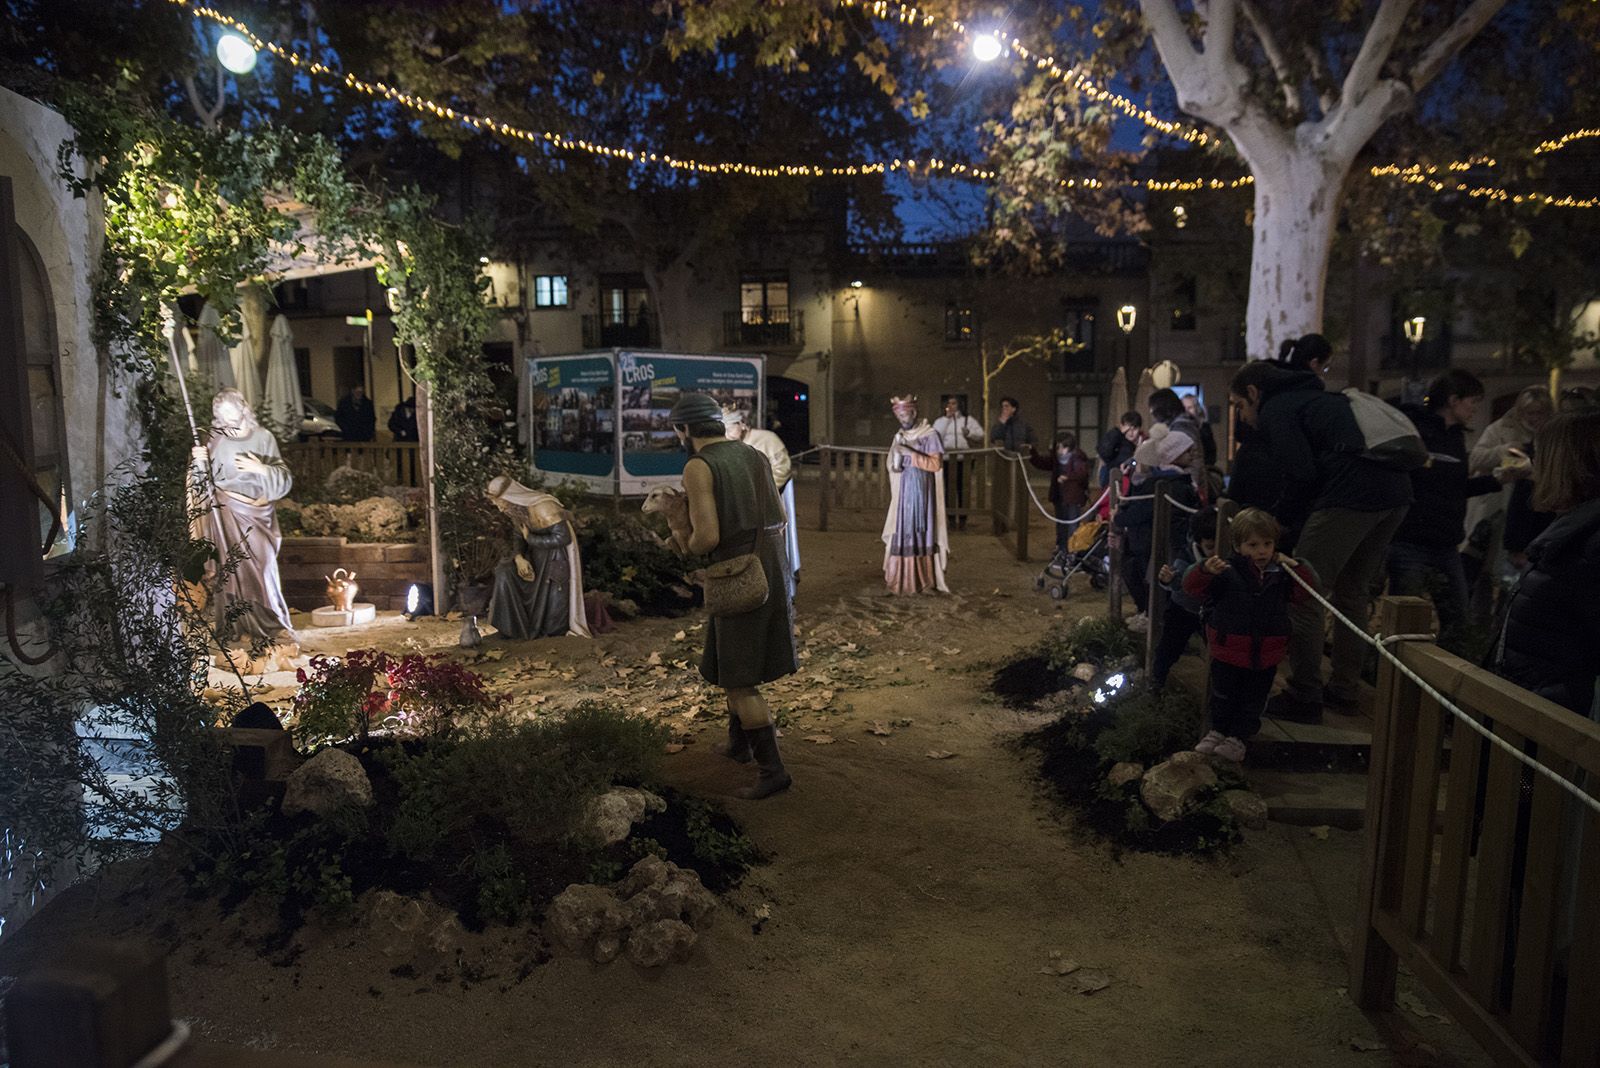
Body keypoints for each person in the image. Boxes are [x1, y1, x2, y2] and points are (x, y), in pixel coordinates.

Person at [1228, 360, 1413, 723]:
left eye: (1239, 406)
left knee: (1304, 592)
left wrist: (1278, 522)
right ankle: (1345, 690)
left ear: (1253, 393)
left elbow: (1301, 472)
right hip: (1396, 493)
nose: (1243, 416)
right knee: (1352, 592)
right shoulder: (1317, 399)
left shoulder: (1277, 409)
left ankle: (1304, 693)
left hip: (1350, 495)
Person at [663, 393, 797, 799]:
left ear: (684, 430)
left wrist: (679, 531)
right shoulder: (753, 455)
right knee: (728, 659)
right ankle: (739, 746)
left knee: (740, 681)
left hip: (736, 575)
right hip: (769, 569)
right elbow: (779, 515)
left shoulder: (698, 465)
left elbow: (707, 538)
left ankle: (773, 771)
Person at [1183, 508, 1318, 762]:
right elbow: (1192, 588)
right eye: (1253, 544)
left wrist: (1297, 567)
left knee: (1254, 699)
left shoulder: (1281, 575)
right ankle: (1217, 730)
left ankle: (1238, 737)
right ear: (1238, 545)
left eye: (1267, 544)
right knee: (1222, 693)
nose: (1261, 551)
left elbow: (1306, 593)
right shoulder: (1226, 570)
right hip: (1229, 647)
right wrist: (1203, 569)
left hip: (1266, 652)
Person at [1493, 410, 1600, 716]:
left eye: (1540, 457)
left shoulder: (1589, 541)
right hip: (1531, 709)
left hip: (1554, 722)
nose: (1535, 467)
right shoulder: (1572, 529)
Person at [1386, 370, 1505, 644]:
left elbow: (1456, 487)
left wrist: (1498, 479)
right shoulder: (1417, 431)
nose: (1475, 408)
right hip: (1410, 542)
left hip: (1447, 544)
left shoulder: (1455, 437)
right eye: (1472, 401)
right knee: (1405, 622)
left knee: (1457, 621)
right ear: (1453, 400)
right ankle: (1392, 677)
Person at [199, 388, 296, 646]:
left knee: (264, 569)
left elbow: (283, 477)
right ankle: (236, 627)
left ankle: (271, 625)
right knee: (231, 572)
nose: (228, 420)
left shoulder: (263, 438)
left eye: (232, 413)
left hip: (257, 514)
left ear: (243, 408)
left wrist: (261, 468)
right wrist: (198, 461)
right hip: (227, 513)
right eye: (222, 416)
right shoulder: (216, 439)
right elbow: (203, 481)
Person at [1113, 426, 1199, 634]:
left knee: (1159, 584)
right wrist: (1120, 517)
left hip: (1155, 541)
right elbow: (1142, 511)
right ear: (1174, 455)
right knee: (1155, 584)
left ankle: (1157, 619)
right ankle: (1155, 619)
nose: (1192, 455)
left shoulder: (1171, 481)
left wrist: (1119, 516)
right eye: (1187, 451)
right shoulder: (1169, 483)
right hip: (1156, 541)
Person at [484, 477, 592, 640]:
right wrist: (519, 557)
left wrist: (531, 539)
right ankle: (512, 628)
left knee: (552, 625)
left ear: (511, 497)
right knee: (504, 572)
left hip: (555, 560)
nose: (500, 509)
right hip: (534, 557)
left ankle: (543, 630)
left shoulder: (544, 508)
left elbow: (563, 538)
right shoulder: (516, 511)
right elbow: (518, 535)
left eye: (501, 503)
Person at [722, 406, 800, 584]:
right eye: (724, 428)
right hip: (745, 504)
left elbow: (782, 468)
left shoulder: (767, 439)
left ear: (741, 424)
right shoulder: (729, 445)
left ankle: (780, 582)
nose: (728, 432)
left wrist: (763, 491)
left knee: (773, 545)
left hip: (770, 500)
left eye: (731, 426)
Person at [883, 395, 950, 595]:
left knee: (922, 532)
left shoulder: (929, 435)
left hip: (922, 492)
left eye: (906, 415)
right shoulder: (900, 435)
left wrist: (909, 454)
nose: (903, 420)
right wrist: (895, 464)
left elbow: (935, 464)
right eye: (900, 417)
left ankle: (925, 582)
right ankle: (899, 581)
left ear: (914, 412)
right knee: (902, 532)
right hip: (904, 493)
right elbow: (893, 465)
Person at [1151, 506, 1217, 688]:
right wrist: (1169, 580)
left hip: (1211, 612)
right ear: (1198, 542)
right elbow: (1179, 583)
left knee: (1217, 653)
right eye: (1210, 547)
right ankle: (1156, 682)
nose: (1214, 551)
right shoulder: (1186, 556)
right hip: (1183, 609)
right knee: (1168, 648)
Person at [1030, 431, 1091, 555]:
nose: (1060, 450)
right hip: (1059, 496)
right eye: (1058, 446)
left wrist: (1067, 477)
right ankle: (1061, 549)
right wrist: (1033, 453)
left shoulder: (1078, 458)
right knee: (1061, 524)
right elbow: (1043, 463)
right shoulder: (1056, 459)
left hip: (1073, 498)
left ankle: (1072, 551)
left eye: (1063, 447)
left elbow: (1082, 474)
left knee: (1072, 525)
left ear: (1070, 447)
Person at [933, 397, 984, 530]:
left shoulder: (968, 420)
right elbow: (936, 436)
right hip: (947, 460)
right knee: (949, 489)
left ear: (959, 405)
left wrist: (970, 433)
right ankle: (950, 519)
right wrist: (946, 419)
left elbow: (980, 434)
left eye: (954, 403)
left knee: (963, 489)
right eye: (949, 403)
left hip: (964, 460)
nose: (951, 406)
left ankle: (962, 519)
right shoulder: (940, 421)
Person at [1148, 388, 1208, 499]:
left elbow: (1166, 454)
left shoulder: (1182, 427)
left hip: (1187, 488)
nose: (1151, 413)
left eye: (1153, 409)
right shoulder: (1181, 424)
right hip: (1186, 485)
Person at [1096, 411, 1143, 488]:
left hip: (1135, 483)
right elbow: (1104, 452)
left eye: (1134, 429)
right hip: (1111, 480)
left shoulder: (1144, 441)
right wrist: (1117, 432)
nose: (1131, 433)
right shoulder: (1116, 439)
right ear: (1122, 427)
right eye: (1128, 429)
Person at [1182, 393, 1219, 467]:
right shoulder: (1178, 427)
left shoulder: (1204, 427)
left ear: (1196, 409)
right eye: (1184, 408)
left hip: (1202, 467)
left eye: (1189, 408)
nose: (1186, 411)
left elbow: (1211, 451)